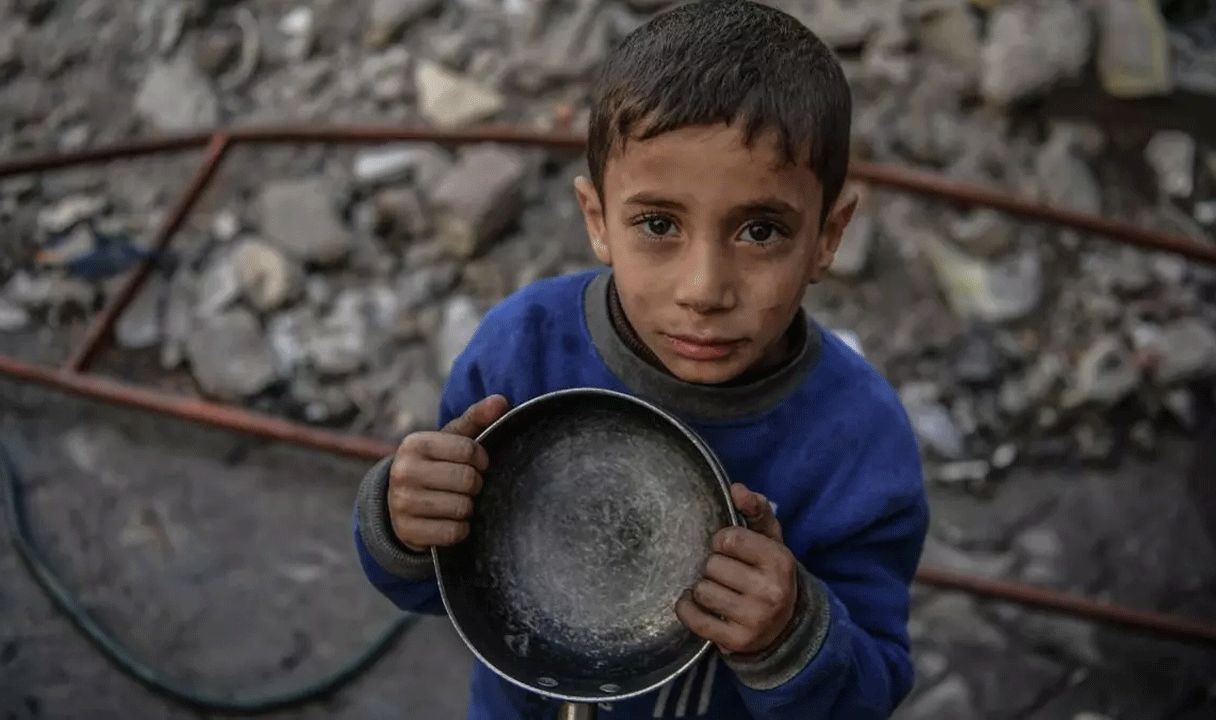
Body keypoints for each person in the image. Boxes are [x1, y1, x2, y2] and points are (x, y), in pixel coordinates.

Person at [353, 1, 929, 717]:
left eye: (760, 230)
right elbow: (434, 584)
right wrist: (402, 519)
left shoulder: (860, 447)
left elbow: (870, 693)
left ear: (827, 235)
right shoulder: (524, 350)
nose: (704, 290)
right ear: (597, 220)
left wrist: (791, 634)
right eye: (658, 224)